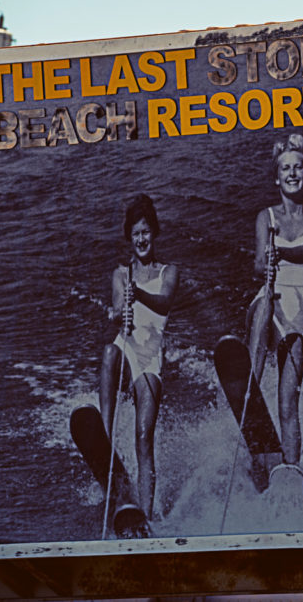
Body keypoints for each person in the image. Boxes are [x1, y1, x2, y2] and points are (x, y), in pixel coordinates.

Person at [247, 133, 303, 473]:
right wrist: (264, 262)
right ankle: (250, 383)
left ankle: (291, 470)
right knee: (265, 300)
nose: (292, 174)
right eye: (286, 169)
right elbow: (256, 264)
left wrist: (278, 252)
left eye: (298, 168)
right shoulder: (264, 218)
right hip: (268, 303)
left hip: (299, 314)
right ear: (276, 177)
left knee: (287, 403)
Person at [99, 194, 180, 519]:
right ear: (129, 238)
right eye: (136, 233)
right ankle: (104, 442)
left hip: (150, 360)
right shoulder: (120, 274)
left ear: (154, 233)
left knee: (144, 438)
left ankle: (145, 515)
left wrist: (140, 294)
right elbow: (118, 308)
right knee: (108, 352)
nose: (142, 239)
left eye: (146, 232)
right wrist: (119, 312)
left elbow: (164, 303)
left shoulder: (169, 272)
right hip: (126, 349)